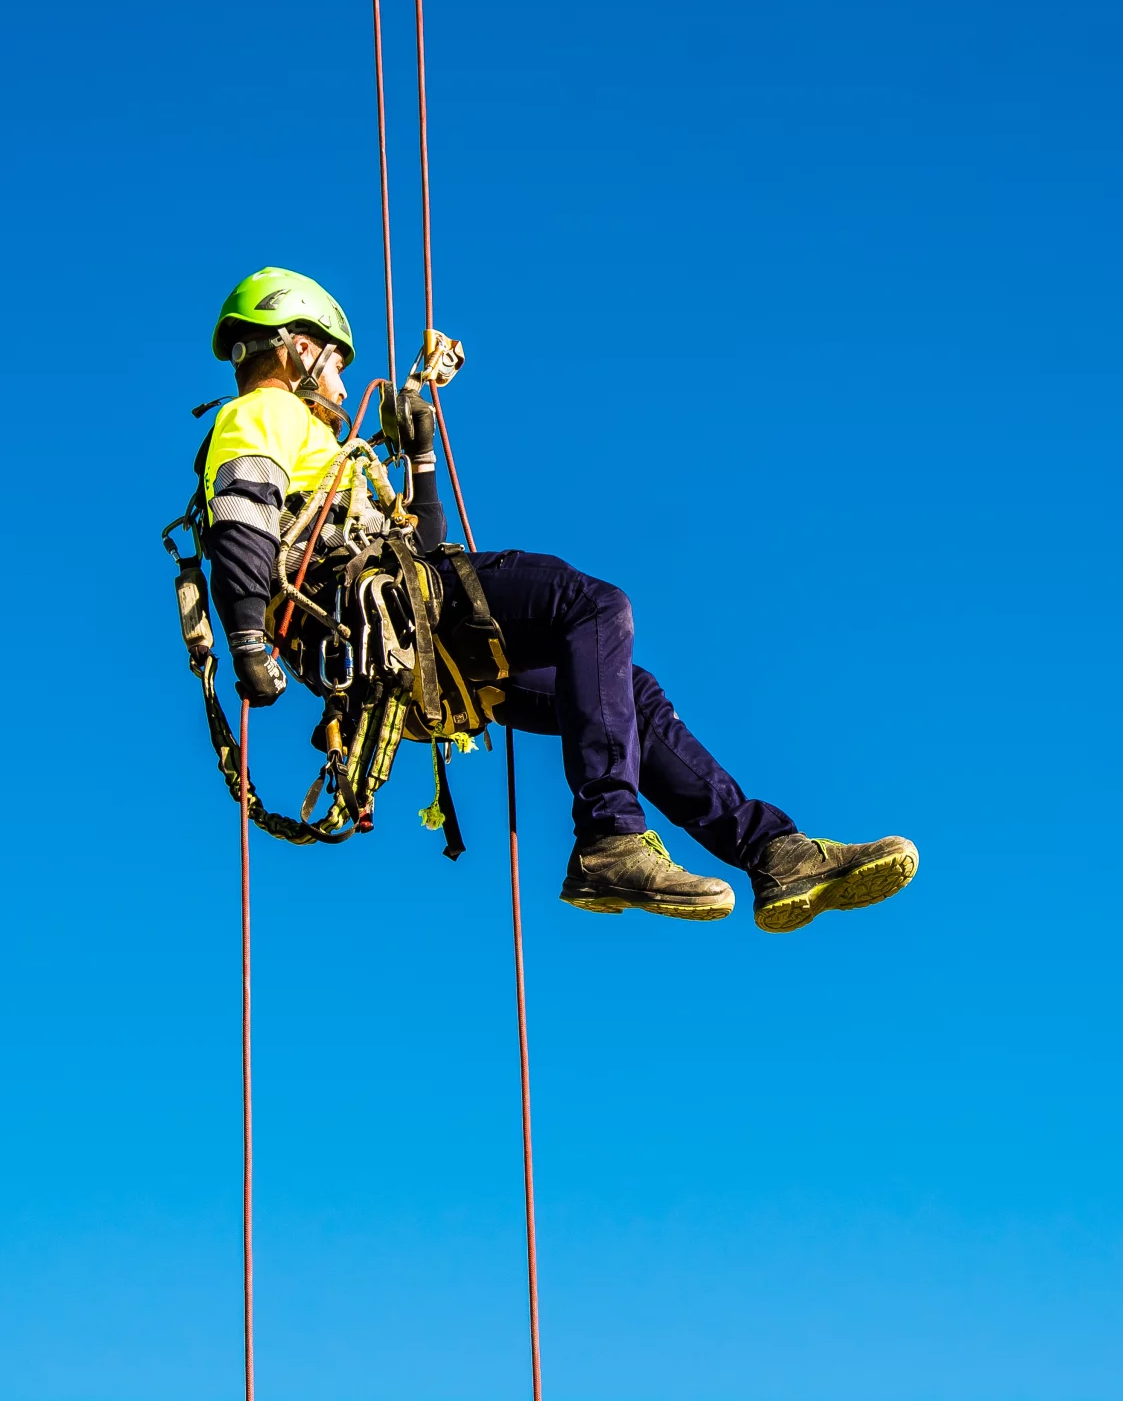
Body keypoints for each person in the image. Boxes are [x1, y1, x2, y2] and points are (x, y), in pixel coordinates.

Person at [195, 267, 917, 933]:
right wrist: (249, 641)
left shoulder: (320, 446)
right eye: (335, 361)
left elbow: (425, 541)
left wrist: (418, 459)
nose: (345, 386)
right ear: (293, 348)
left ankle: (773, 852)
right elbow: (241, 520)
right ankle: (609, 838)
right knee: (593, 606)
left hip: (409, 631)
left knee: (624, 688)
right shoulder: (262, 415)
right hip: (392, 617)